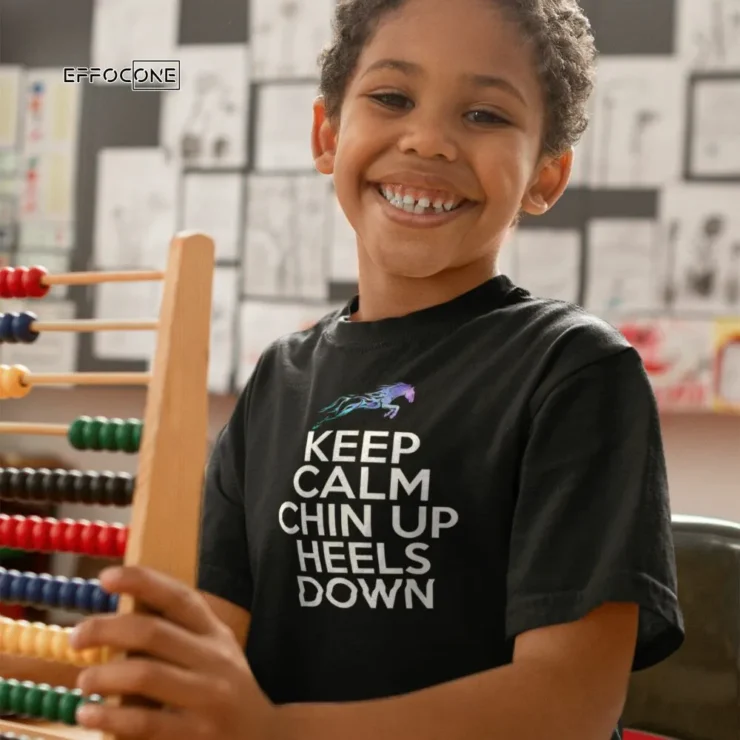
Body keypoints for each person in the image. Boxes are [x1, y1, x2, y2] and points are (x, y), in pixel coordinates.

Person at [69, 0, 685, 737]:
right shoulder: (279, 380)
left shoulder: (575, 371)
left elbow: (569, 706)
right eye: (392, 98)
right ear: (327, 134)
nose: (428, 141)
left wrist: (271, 732)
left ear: (545, 177)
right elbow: (212, 645)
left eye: (486, 115)